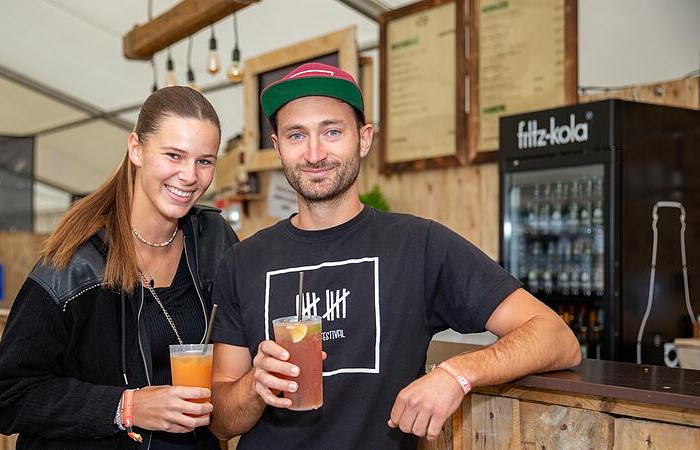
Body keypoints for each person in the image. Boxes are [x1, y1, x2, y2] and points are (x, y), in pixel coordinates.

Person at [208, 63, 581, 449]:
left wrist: (458, 374)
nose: (315, 153)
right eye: (296, 135)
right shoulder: (242, 261)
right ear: (277, 146)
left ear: (364, 138)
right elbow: (220, 423)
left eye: (332, 131)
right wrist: (254, 385)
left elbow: (556, 337)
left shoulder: (419, 244)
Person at [0, 86, 239, 450]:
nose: (189, 175)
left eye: (204, 161)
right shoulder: (75, 263)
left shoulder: (213, 239)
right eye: (174, 155)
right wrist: (126, 406)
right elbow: (5, 396)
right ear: (136, 149)